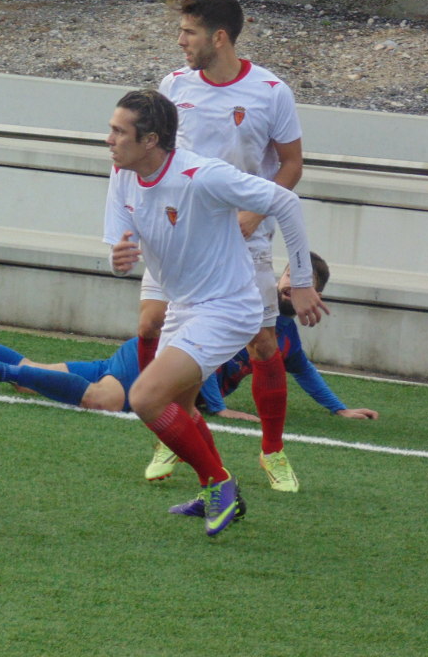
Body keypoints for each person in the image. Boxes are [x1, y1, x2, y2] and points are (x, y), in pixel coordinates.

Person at [103, 89, 327, 537]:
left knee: (145, 398)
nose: (109, 140)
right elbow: (119, 239)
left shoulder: (202, 174)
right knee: (179, 408)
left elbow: (286, 202)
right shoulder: (123, 173)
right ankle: (219, 490)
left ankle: (219, 484)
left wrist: (302, 281)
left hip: (228, 307)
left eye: (119, 132)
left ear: (150, 141)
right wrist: (118, 257)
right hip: (184, 306)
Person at [138, 0, 308, 493]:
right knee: (151, 323)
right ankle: (173, 430)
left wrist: (255, 213)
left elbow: (292, 164)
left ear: (218, 37)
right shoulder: (173, 85)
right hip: (179, 232)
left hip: (242, 235)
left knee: (262, 342)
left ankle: (272, 452)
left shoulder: (271, 91)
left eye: (188, 32)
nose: (180, 40)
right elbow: (157, 157)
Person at [147, 253, 379, 481]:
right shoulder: (244, 311)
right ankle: (175, 440)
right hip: (152, 373)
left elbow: (303, 370)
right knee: (137, 394)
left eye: (303, 281)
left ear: (315, 296)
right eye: (289, 275)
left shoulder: (287, 336)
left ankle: (246, 457)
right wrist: (219, 408)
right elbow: (198, 350)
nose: (292, 283)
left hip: (187, 397)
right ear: (278, 279)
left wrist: (339, 408)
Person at [0, 314, 248, 415]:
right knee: (104, 399)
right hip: (149, 358)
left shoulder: (272, 339)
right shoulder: (253, 329)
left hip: (140, 356)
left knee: (31, 376)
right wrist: (220, 409)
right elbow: (201, 354)